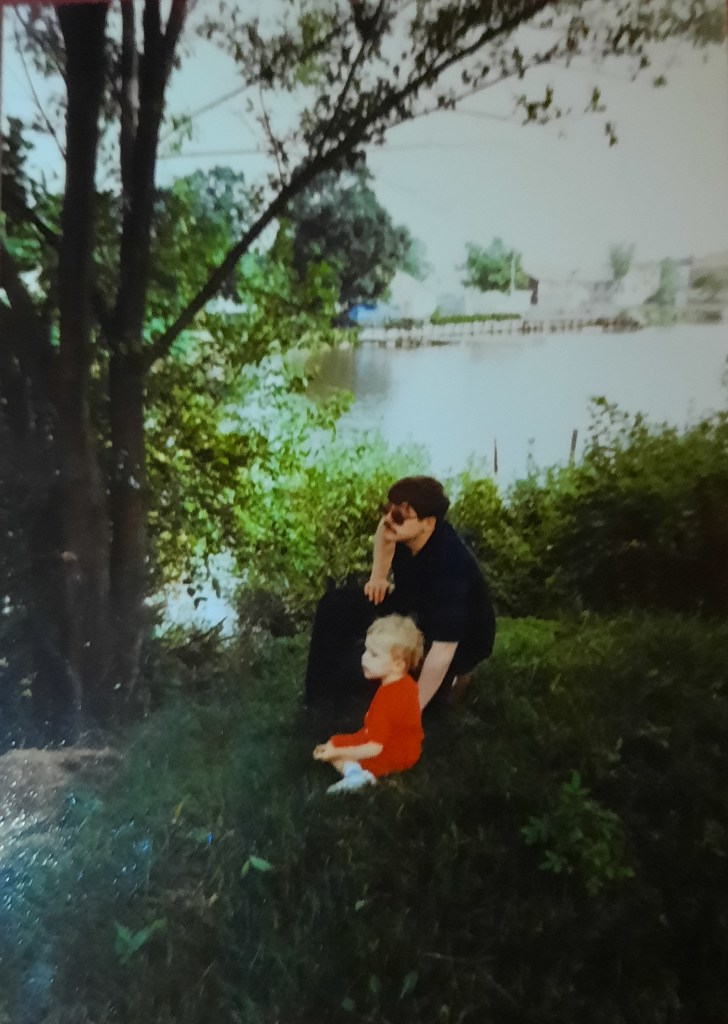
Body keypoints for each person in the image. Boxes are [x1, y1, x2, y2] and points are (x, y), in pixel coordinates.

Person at [304, 476, 496, 723]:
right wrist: (378, 576)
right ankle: (316, 704)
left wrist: (412, 710)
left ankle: (453, 680)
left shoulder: (450, 567)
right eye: (387, 509)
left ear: (428, 523)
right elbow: (382, 531)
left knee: (362, 668)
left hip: (457, 641)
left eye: (398, 516)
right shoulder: (402, 532)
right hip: (415, 606)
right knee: (334, 605)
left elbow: (444, 649)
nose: (387, 519)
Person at [313, 614, 424, 794]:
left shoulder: (386, 700)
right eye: (366, 650)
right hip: (407, 748)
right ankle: (352, 766)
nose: (364, 658)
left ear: (397, 665)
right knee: (335, 742)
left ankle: (358, 776)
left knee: (335, 754)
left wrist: (338, 754)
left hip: (392, 754)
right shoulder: (406, 684)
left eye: (373, 654)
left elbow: (374, 748)